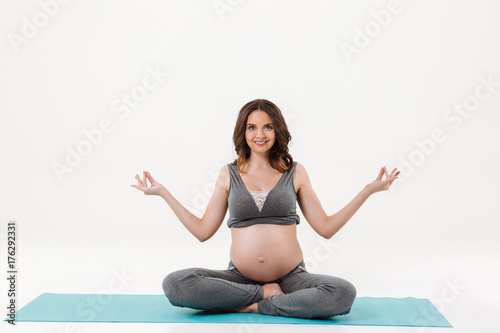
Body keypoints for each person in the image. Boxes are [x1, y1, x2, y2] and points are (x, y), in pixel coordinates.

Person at [131, 98, 400, 319]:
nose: (260, 134)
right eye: (252, 127)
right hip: (239, 278)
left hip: (291, 279)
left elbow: (326, 228)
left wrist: (367, 191)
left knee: (341, 293)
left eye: (268, 127)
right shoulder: (228, 174)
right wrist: (163, 193)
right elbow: (203, 231)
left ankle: (250, 305)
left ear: (278, 131)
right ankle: (262, 298)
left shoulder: (296, 172)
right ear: (243, 132)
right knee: (176, 284)